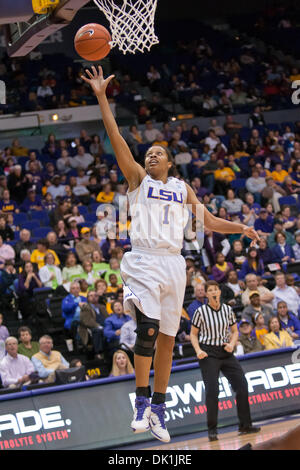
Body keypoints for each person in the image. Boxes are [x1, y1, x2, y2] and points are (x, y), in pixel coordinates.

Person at [81, 65, 259, 443]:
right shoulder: (138, 181)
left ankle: (159, 408)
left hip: (174, 264)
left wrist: (241, 227)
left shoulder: (181, 188)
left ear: (170, 163)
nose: (151, 156)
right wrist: (101, 96)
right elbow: (117, 139)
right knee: (145, 330)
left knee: (165, 339)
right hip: (143, 258)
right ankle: (141, 400)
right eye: (148, 153)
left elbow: (209, 220)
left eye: (158, 153)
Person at [190, 281, 260, 442]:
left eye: (216, 289)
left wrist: (232, 344)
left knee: (242, 386)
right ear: (206, 294)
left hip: (226, 351)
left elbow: (234, 331)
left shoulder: (228, 310)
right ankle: (212, 430)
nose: (214, 292)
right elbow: (193, 334)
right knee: (213, 391)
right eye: (210, 290)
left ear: (220, 292)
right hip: (208, 353)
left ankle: (245, 425)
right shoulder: (200, 312)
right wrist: (198, 350)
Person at [78, 290, 109, 358]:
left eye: (95, 295)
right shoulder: (86, 307)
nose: (93, 297)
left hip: (104, 326)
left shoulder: (102, 307)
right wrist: (99, 326)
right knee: (98, 331)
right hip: (91, 328)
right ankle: (99, 352)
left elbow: (108, 318)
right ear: (88, 298)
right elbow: (87, 321)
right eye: (91, 296)